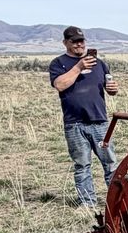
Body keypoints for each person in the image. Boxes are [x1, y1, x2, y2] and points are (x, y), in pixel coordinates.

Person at [49, 25, 119, 208]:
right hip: (74, 124)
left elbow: (109, 86)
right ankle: (87, 203)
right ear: (65, 43)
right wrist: (78, 67)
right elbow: (60, 85)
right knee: (82, 166)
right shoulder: (58, 63)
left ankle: (117, 201)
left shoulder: (100, 64)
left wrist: (113, 90)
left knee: (110, 163)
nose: (80, 45)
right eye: (75, 42)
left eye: (82, 41)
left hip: (100, 122)